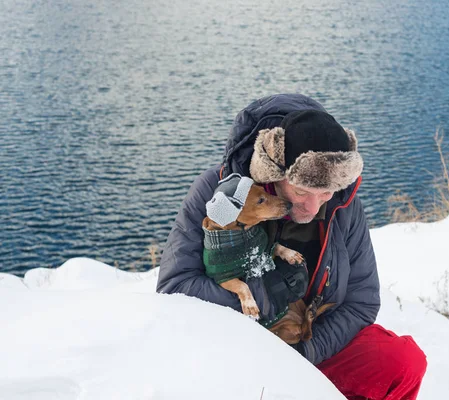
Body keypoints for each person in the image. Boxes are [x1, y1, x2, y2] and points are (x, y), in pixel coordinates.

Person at [156, 94, 427, 400]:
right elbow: (174, 287)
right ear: (272, 172)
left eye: (325, 193)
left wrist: (304, 354)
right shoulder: (217, 193)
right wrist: (266, 295)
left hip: (310, 341)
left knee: (403, 363)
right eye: (301, 191)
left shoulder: (343, 201)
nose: (313, 206)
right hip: (237, 348)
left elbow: (361, 302)